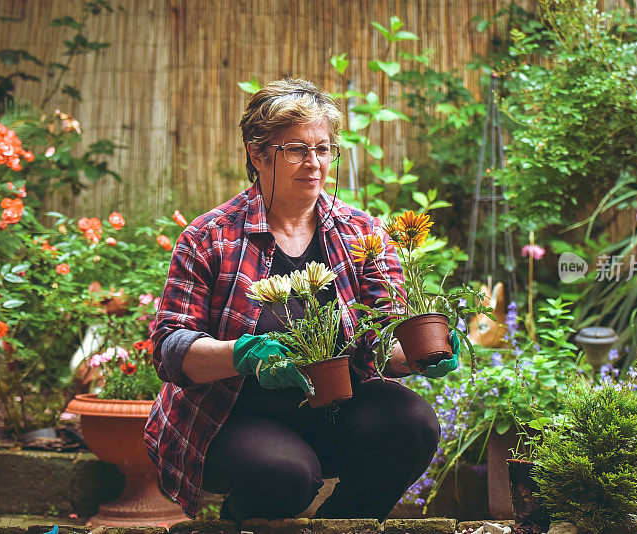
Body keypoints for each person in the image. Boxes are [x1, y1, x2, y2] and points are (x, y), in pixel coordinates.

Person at [145, 78, 460, 523]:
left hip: (333, 408)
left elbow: (381, 339)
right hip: (228, 417)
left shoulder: (361, 233)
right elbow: (169, 348)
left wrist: (418, 355)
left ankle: (344, 526)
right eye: (296, 149)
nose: (314, 163)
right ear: (257, 155)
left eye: (324, 149)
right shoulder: (211, 237)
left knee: (413, 424)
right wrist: (243, 354)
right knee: (286, 475)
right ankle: (239, 523)